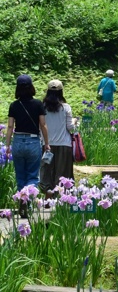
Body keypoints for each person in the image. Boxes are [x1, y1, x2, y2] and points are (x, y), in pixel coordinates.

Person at [6, 75, 50, 204]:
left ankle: (22, 202)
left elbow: (10, 126)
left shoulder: (14, 105)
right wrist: (47, 143)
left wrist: (8, 145)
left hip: (18, 141)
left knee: (20, 176)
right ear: (31, 87)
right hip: (33, 141)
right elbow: (43, 125)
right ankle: (28, 203)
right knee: (32, 176)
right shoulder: (38, 104)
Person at [39, 80, 74, 194]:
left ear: (48, 92)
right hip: (64, 144)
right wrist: (75, 124)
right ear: (61, 92)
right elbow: (70, 127)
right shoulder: (66, 107)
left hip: (46, 144)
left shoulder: (42, 107)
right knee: (62, 174)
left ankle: (48, 196)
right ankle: (60, 198)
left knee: (47, 172)